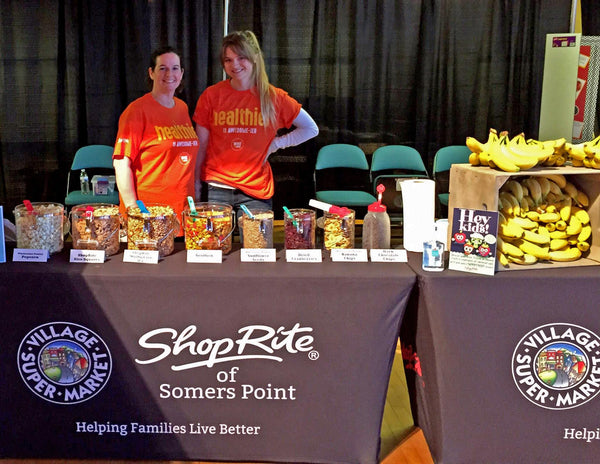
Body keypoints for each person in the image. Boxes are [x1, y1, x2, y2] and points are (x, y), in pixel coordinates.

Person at [193, 30, 318, 215]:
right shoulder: (211, 96)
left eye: (241, 57)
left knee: (256, 245)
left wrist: (276, 144)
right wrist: (195, 183)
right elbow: (201, 145)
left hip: (256, 190)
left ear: (254, 58)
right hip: (217, 187)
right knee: (215, 245)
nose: (234, 64)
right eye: (228, 60)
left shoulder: (273, 97)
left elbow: (311, 128)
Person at [113, 46, 199, 232]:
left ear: (182, 73)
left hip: (182, 210)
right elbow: (121, 164)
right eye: (163, 68)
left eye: (175, 68)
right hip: (148, 213)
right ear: (151, 73)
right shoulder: (136, 111)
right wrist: (133, 210)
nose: (170, 73)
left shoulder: (182, 108)